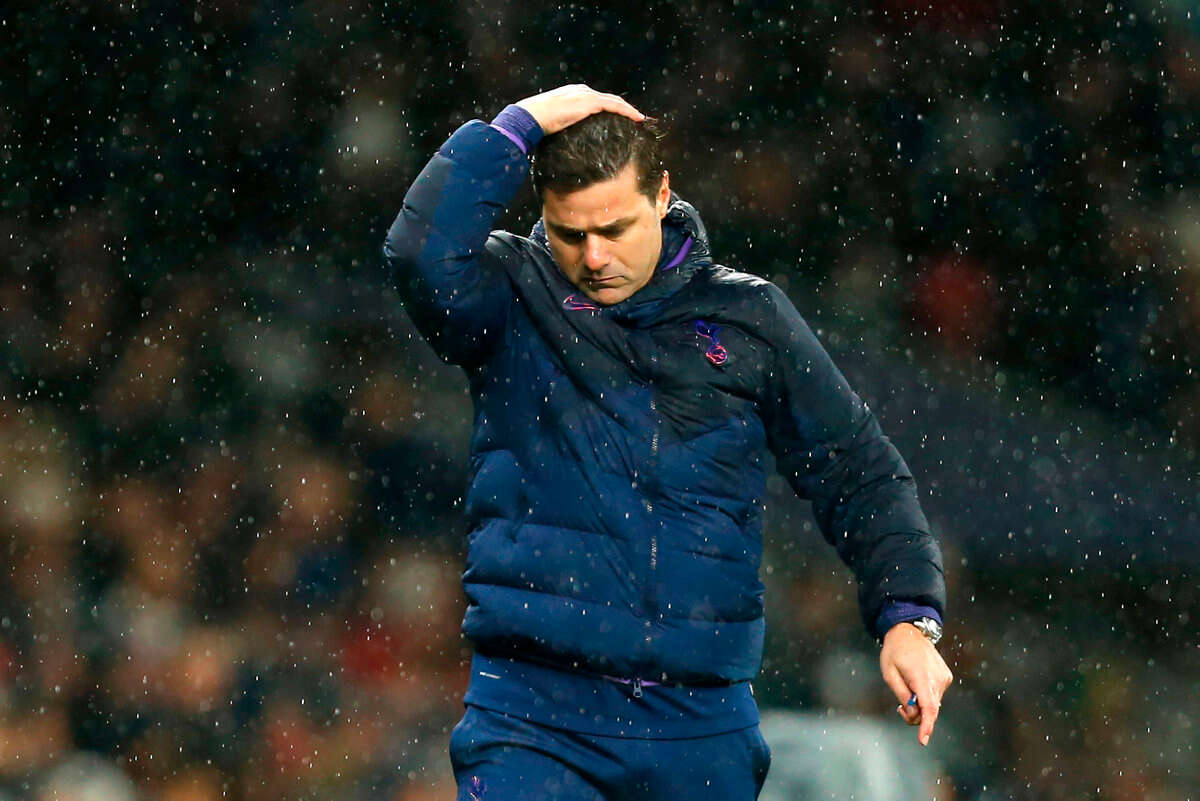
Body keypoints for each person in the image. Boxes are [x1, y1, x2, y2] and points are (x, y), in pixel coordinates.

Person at [384, 85, 953, 801]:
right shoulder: (512, 292)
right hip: (532, 718)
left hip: (699, 724)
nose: (594, 257)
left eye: (614, 228)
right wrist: (521, 124)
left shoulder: (748, 319)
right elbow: (418, 254)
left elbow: (858, 471)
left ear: (661, 196)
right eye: (569, 234)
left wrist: (908, 616)